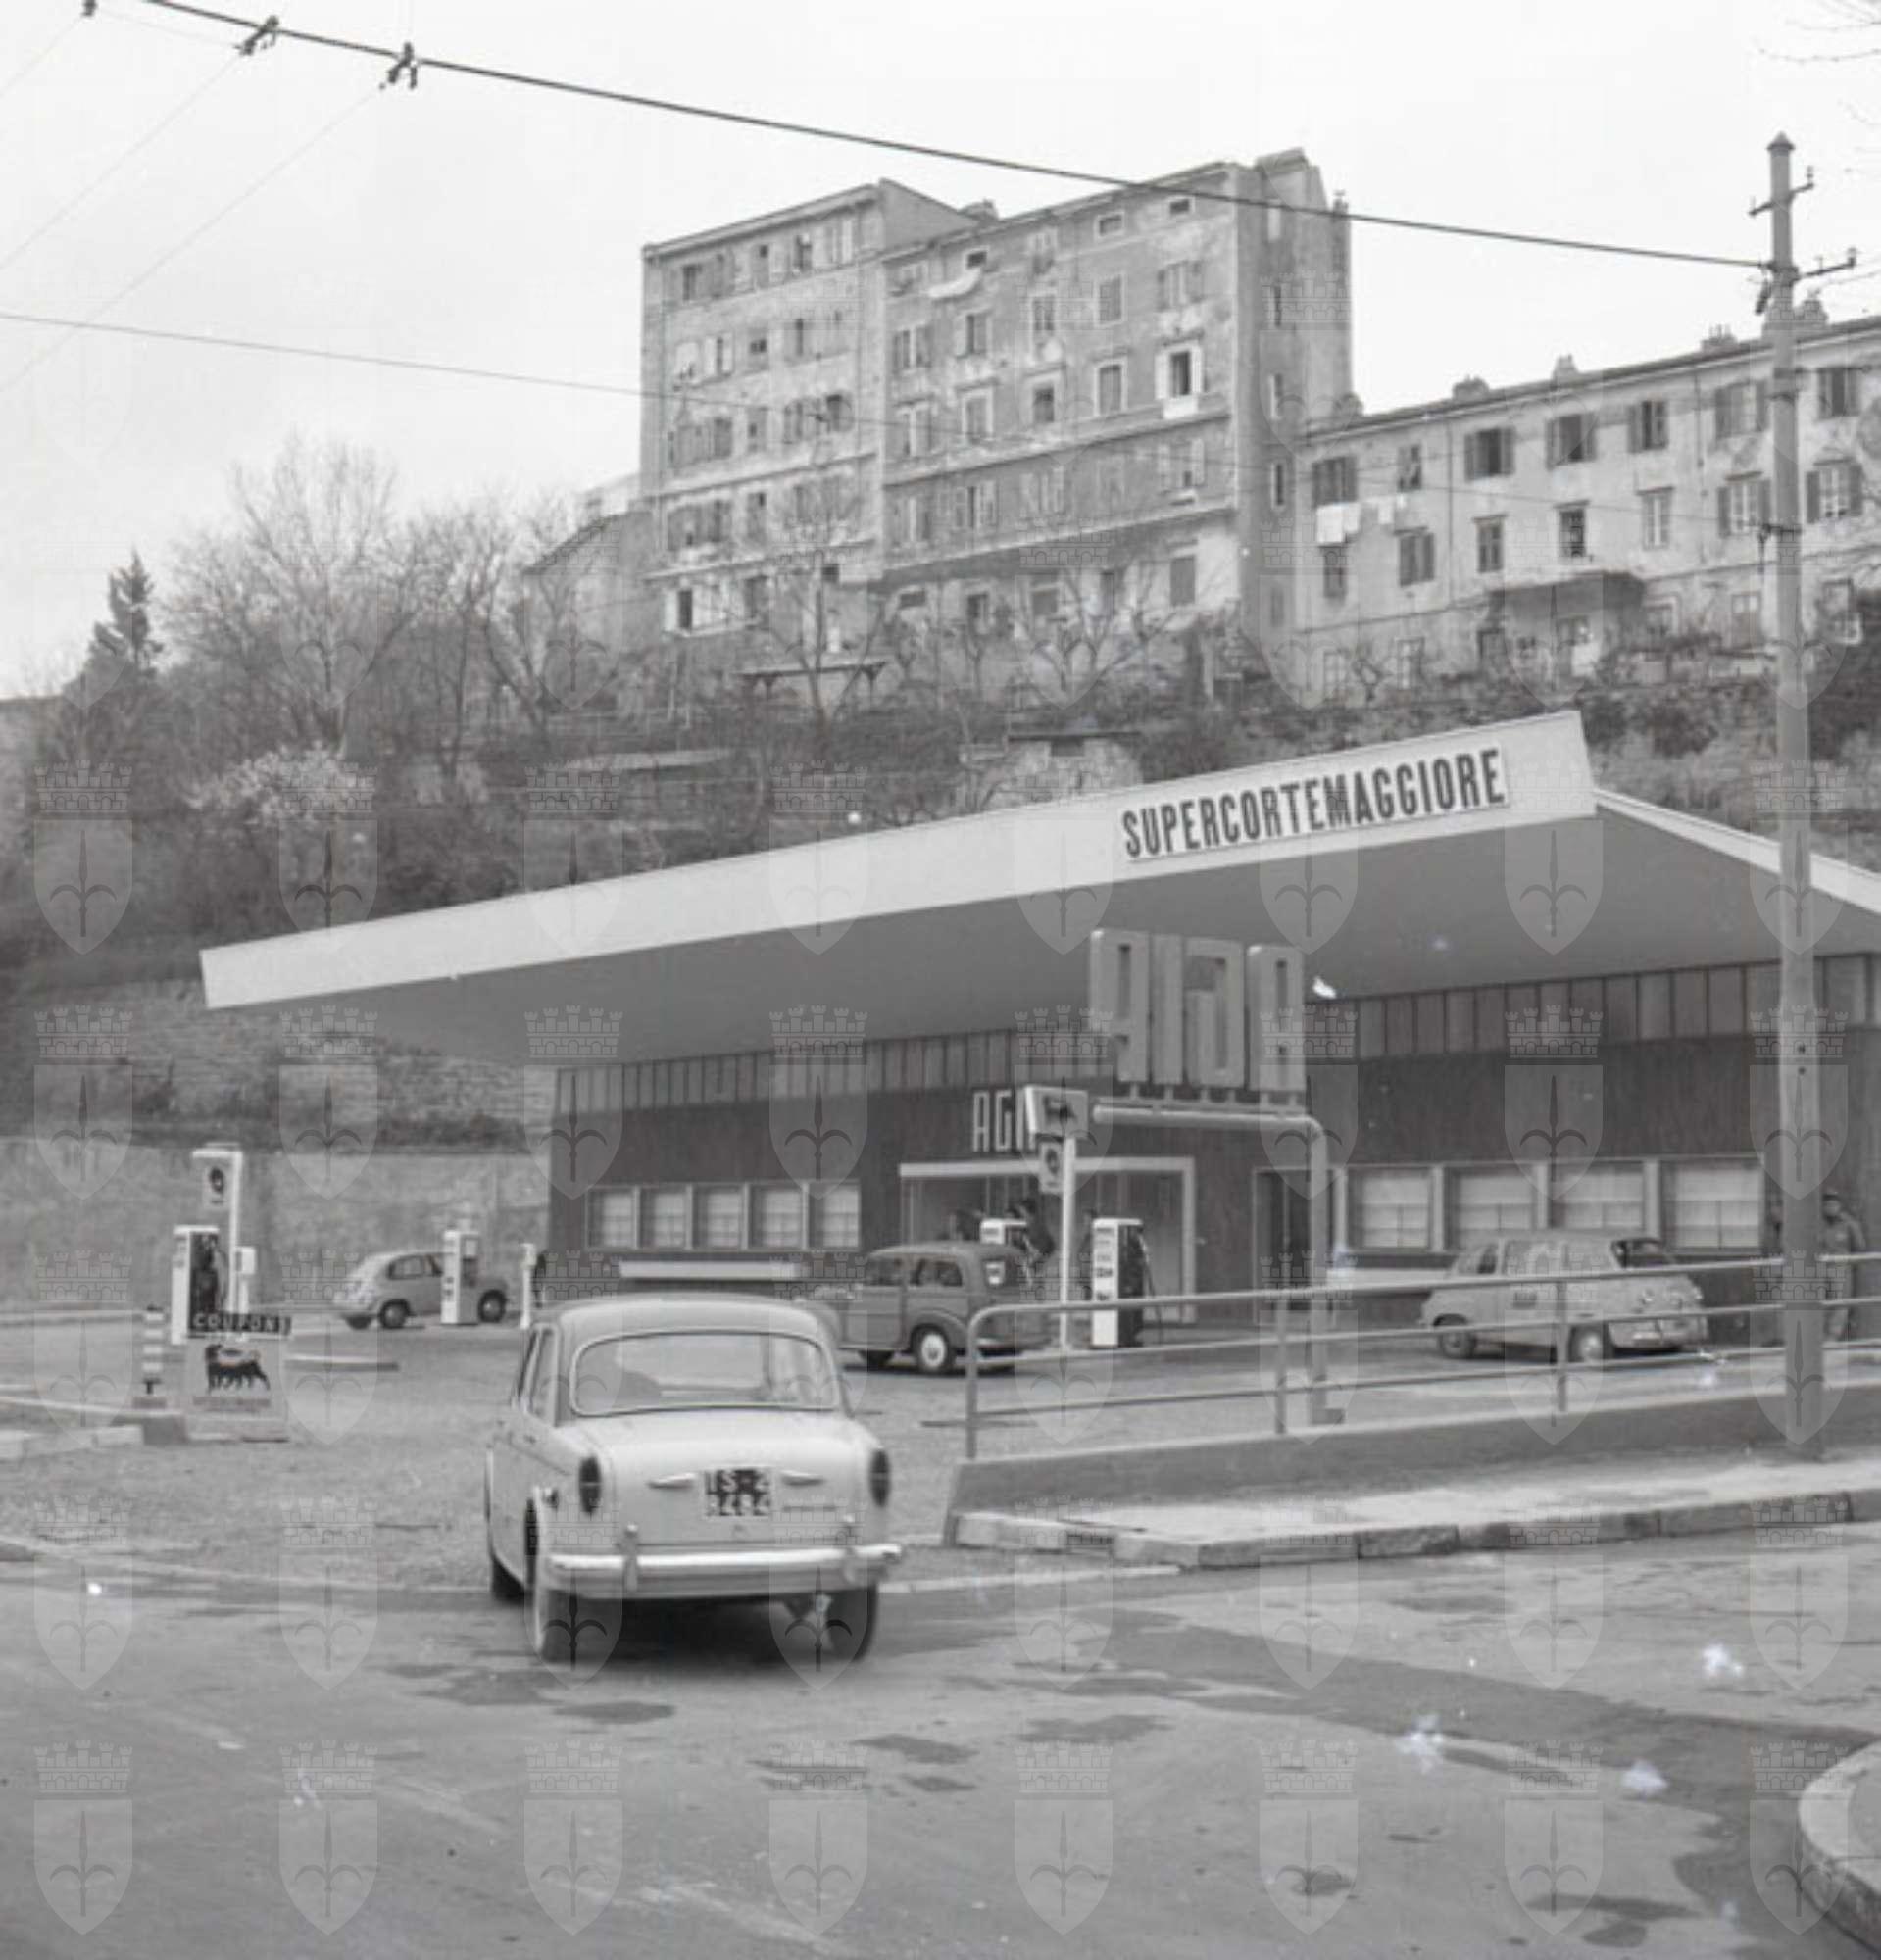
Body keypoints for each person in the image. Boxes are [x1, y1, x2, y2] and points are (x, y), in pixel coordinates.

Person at [1822, 1190, 1867, 1342]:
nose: (1830, 1208)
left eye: (1833, 1204)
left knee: (1840, 1303)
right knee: (1820, 1303)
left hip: (1841, 1268)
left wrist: (1850, 1263)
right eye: (1827, 1205)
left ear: (1839, 1205)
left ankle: (1832, 1338)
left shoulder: (1848, 1224)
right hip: (1819, 1269)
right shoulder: (1818, 1224)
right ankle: (1818, 1336)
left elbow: (1860, 1246)